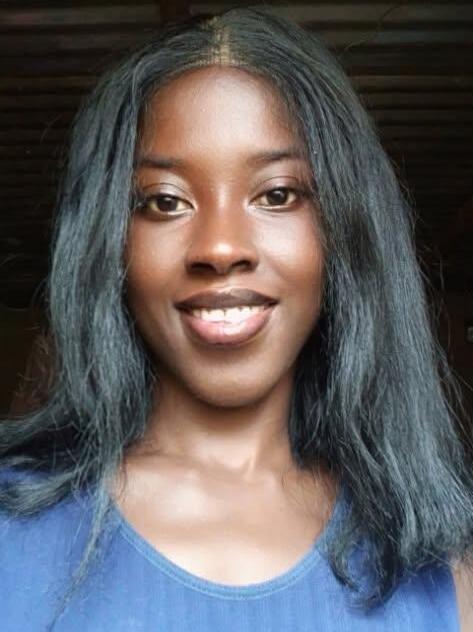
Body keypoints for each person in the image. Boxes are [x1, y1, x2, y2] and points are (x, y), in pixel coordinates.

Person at [1, 6, 472, 631]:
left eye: (277, 194)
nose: (221, 247)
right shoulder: (11, 532)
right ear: (107, 244)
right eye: (164, 202)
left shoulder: (446, 565)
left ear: (346, 233)